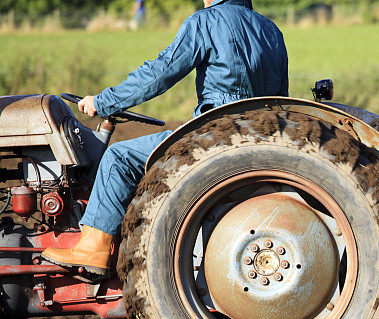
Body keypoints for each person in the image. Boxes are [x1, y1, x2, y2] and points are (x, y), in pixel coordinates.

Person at [42, 0, 288, 278]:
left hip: (215, 136)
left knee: (118, 158)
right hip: (258, 139)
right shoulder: (271, 31)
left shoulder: (206, 21)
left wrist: (104, 101)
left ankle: (93, 248)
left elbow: (159, 74)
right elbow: (279, 99)